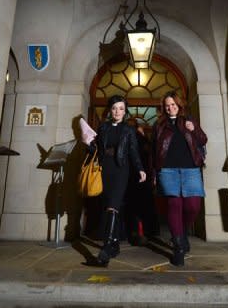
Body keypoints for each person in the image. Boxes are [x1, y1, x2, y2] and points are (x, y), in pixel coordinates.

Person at [87, 95, 146, 266]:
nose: (117, 111)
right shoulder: (103, 127)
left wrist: (140, 169)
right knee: (109, 207)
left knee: (113, 205)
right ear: (110, 110)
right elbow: (97, 149)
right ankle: (114, 245)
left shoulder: (128, 130)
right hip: (105, 170)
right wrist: (88, 144)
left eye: (121, 108)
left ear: (125, 111)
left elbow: (134, 151)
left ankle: (105, 249)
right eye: (114, 108)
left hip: (121, 170)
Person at [151, 91, 207, 266]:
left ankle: (181, 232)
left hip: (191, 170)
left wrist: (194, 129)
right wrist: (153, 173)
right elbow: (153, 152)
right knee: (174, 205)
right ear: (164, 108)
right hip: (167, 171)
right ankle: (178, 247)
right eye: (167, 105)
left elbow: (203, 140)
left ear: (179, 105)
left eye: (173, 104)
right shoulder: (159, 125)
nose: (170, 108)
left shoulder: (188, 120)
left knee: (193, 206)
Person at [124, 119, 158, 246]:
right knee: (144, 207)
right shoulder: (144, 140)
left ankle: (134, 233)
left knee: (132, 207)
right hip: (144, 177)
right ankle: (145, 232)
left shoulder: (127, 138)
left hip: (131, 177)